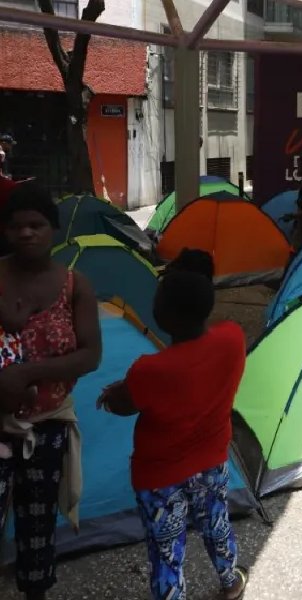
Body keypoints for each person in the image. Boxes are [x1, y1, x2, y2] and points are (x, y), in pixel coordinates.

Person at [98, 250, 248, 600]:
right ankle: (230, 581)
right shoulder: (232, 338)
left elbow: (123, 406)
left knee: (167, 554)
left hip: (159, 477)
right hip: (212, 462)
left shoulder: (149, 369)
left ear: (164, 315)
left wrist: (111, 395)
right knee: (216, 524)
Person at [0, 181, 101, 600]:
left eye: (36, 225)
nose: (26, 233)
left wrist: (28, 375)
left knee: (38, 526)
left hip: (47, 427)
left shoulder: (75, 286)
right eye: (16, 226)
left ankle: (35, 593)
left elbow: (91, 354)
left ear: (53, 229)